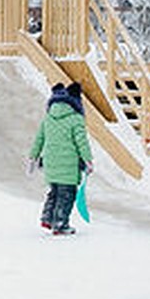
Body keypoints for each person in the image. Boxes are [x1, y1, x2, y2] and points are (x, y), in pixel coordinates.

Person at [29, 81, 94, 236]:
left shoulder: (48, 118)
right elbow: (81, 142)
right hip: (68, 165)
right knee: (67, 195)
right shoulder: (76, 119)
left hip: (51, 163)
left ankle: (47, 217)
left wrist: (33, 157)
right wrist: (88, 160)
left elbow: (39, 139)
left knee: (54, 191)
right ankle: (60, 223)